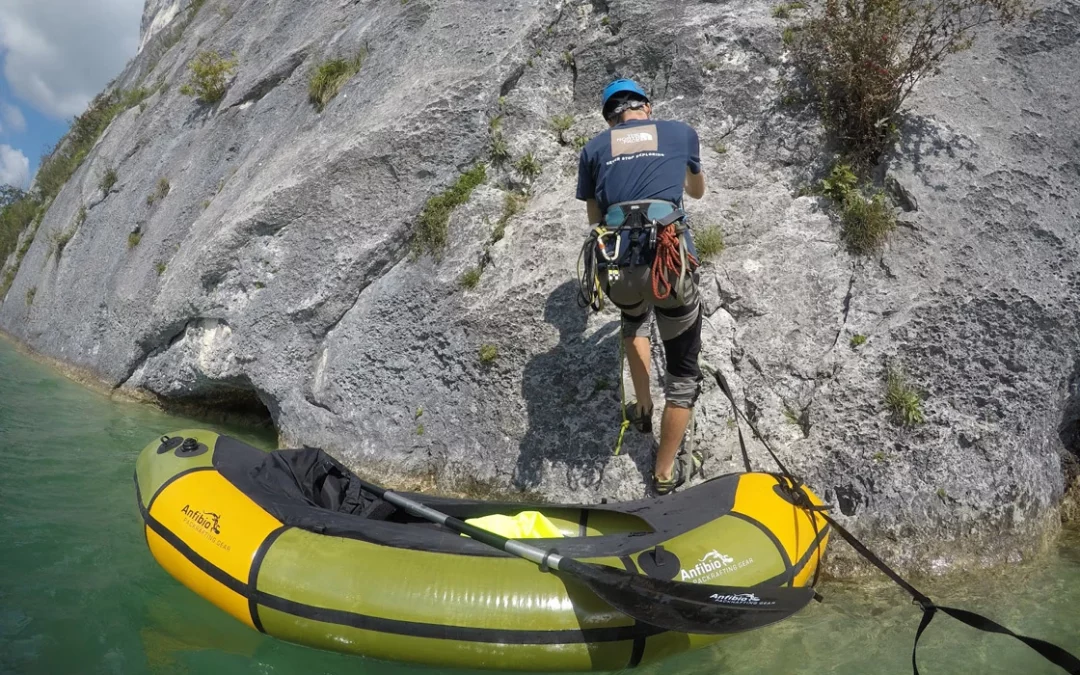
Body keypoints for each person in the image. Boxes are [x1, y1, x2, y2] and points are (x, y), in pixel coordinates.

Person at [575, 78, 707, 496]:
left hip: (621, 269)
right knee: (683, 374)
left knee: (634, 321)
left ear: (610, 116)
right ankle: (665, 471)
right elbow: (696, 191)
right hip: (668, 267)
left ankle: (644, 405)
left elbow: (594, 218)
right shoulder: (680, 133)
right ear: (646, 107)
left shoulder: (594, 148)